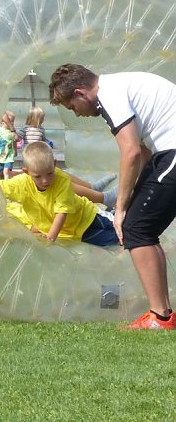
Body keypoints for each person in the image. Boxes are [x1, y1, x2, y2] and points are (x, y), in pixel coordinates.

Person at [50, 64, 176, 330]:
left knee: (137, 228)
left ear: (80, 92)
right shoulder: (115, 88)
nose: (78, 115)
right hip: (163, 153)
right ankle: (163, 314)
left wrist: (118, 208)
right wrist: (128, 200)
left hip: (172, 151)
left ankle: (160, 317)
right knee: (139, 227)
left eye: (72, 107)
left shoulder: (109, 95)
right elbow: (142, 154)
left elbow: (130, 152)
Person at [0, 142, 119, 246]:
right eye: (38, 176)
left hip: (85, 217)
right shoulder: (21, 183)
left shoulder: (62, 180)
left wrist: (50, 238)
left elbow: (61, 213)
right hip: (70, 232)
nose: (45, 180)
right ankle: (110, 210)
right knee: (111, 239)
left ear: (54, 164)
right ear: (26, 172)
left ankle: (113, 212)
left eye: (49, 173)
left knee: (120, 232)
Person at [0, 110, 20, 180]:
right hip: (0, 156)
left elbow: (14, 141)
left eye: (12, 122)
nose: (11, 123)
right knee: (1, 173)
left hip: (9, 156)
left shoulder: (12, 132)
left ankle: (7, 185)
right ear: (2, 123)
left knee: (6, 171)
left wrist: (15, 150)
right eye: (9, 121)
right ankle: (3, 184)